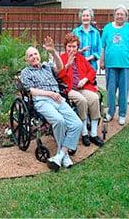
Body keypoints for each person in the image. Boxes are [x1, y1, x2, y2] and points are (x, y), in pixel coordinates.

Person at [20, 36, 83, 172]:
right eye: (30, 55)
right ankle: (64, 156)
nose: (34, 57)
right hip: (42, 101)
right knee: (59, 121)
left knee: (77, 124)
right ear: (27, 60)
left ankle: (60, 155)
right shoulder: (25, 72)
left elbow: (60, 68)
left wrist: (53, 52)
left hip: (58, 99)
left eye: (35, 54)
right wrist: (49, 94)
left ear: (39, 56)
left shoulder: (47, 66)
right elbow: (32, 91)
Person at [58, 33, 104, 147]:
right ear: (65, 46)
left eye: (74, 46)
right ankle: (84, 133)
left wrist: (85, 79)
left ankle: (93, 134)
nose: (72, 49)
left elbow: (92, 71)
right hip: (68, 89)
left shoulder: (80, 57)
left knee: (94, 98)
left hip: (82, 87)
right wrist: (67, 65)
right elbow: (58, 75)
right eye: (69, 46)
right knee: (82, 100)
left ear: (77, 47)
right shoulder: (61, 58)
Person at [100, 5, 129, 126]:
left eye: (122, 14)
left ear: (126, 16)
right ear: (114, 15)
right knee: (110, 90)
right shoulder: (107, 28)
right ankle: (111, 113)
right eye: (118, 14)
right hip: (110, 65)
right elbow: (103, 47)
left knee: (123, 91)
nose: (120, 16)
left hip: (125, 65)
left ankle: (122, 114)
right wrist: (101, 61)